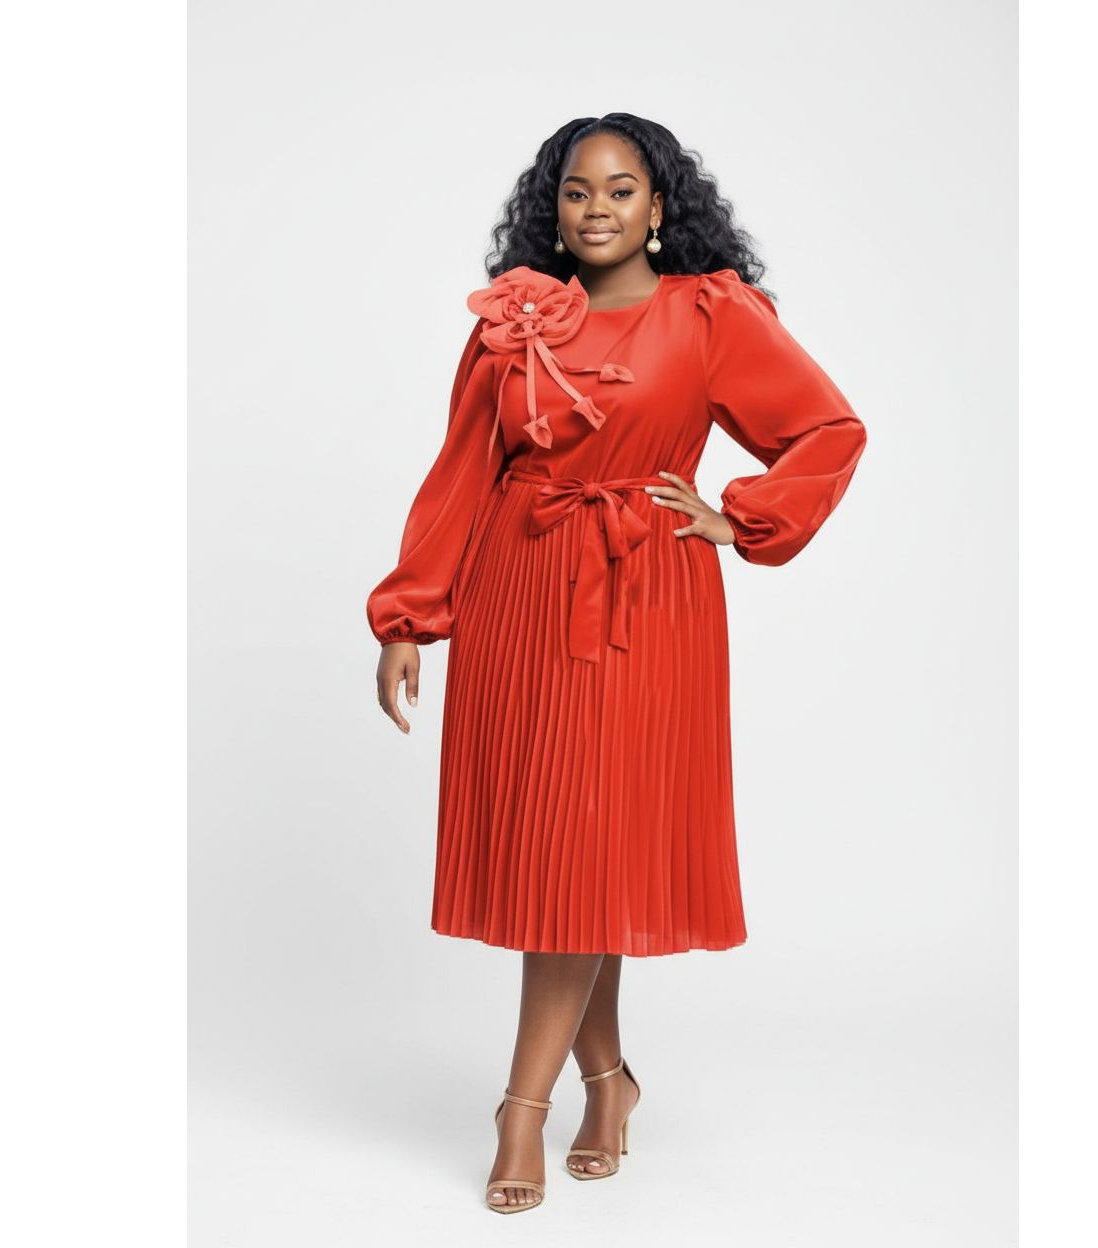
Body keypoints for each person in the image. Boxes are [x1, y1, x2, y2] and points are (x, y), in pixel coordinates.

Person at [366, 113, 867, 1214]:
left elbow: (827, 431)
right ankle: (610, 1084)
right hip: (519, 590)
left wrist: (740, 518)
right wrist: (409, 616)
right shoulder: (513, 321)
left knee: (594, 841)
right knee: (567, 854)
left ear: (658, 206)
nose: (597, 209)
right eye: (577, 191)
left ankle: (521, 1108)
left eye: (621, 189)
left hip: (645, 595)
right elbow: (461, 471)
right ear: (553, 208)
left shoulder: (709, 313)